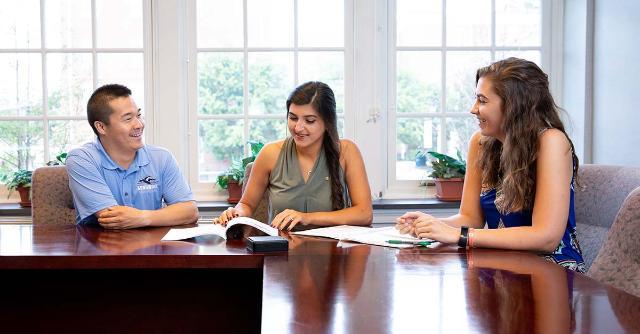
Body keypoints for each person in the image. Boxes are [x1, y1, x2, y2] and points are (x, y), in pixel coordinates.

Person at [396, 58, 586, 272]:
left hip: (550, 271)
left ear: (514, 105)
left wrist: (459, 236)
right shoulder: (480, 143)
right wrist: (431, 226)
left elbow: (546, 237)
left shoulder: (551, 141)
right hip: (501, 267)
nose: (473, 109)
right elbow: (471, 218)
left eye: (482, 101)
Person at [217, 81, 372, 230]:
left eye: (309, 120)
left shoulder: (347, 151)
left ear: (327, 122)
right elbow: (247, 205)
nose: (298, 127)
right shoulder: (270, 153)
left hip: (334, 252)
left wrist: (306, 217)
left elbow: (364, 214)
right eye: (293, 118)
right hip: (281, 251)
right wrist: (236, 213)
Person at [67, 84, 198, 229]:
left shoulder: (162, 157)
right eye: (128, 119)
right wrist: (162, 215)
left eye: (139, 115)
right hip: (101, 249)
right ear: (101, 127)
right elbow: (113, 220)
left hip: (152, 248)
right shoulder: (82, 159)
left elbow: (190, 211)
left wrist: (142, 217)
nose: (139, 124)